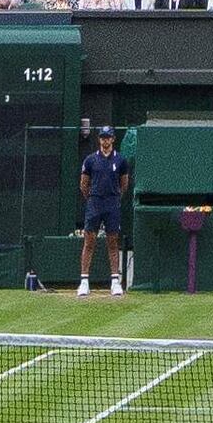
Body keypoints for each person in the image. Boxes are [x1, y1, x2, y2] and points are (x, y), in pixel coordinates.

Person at [73, 124, 133, 299]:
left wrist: (114, 198)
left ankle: (115, 281)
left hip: (112, 204)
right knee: (89, 241)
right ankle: (84, 281)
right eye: (102, 137)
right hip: (95, 203)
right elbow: (84, 184)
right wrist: (93, 198)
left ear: (113, 139)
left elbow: (124, 185)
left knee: (113, 242)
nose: (105, 140)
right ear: (99, 139)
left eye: (108, 137)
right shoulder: (90, 160)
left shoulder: (120, 161)